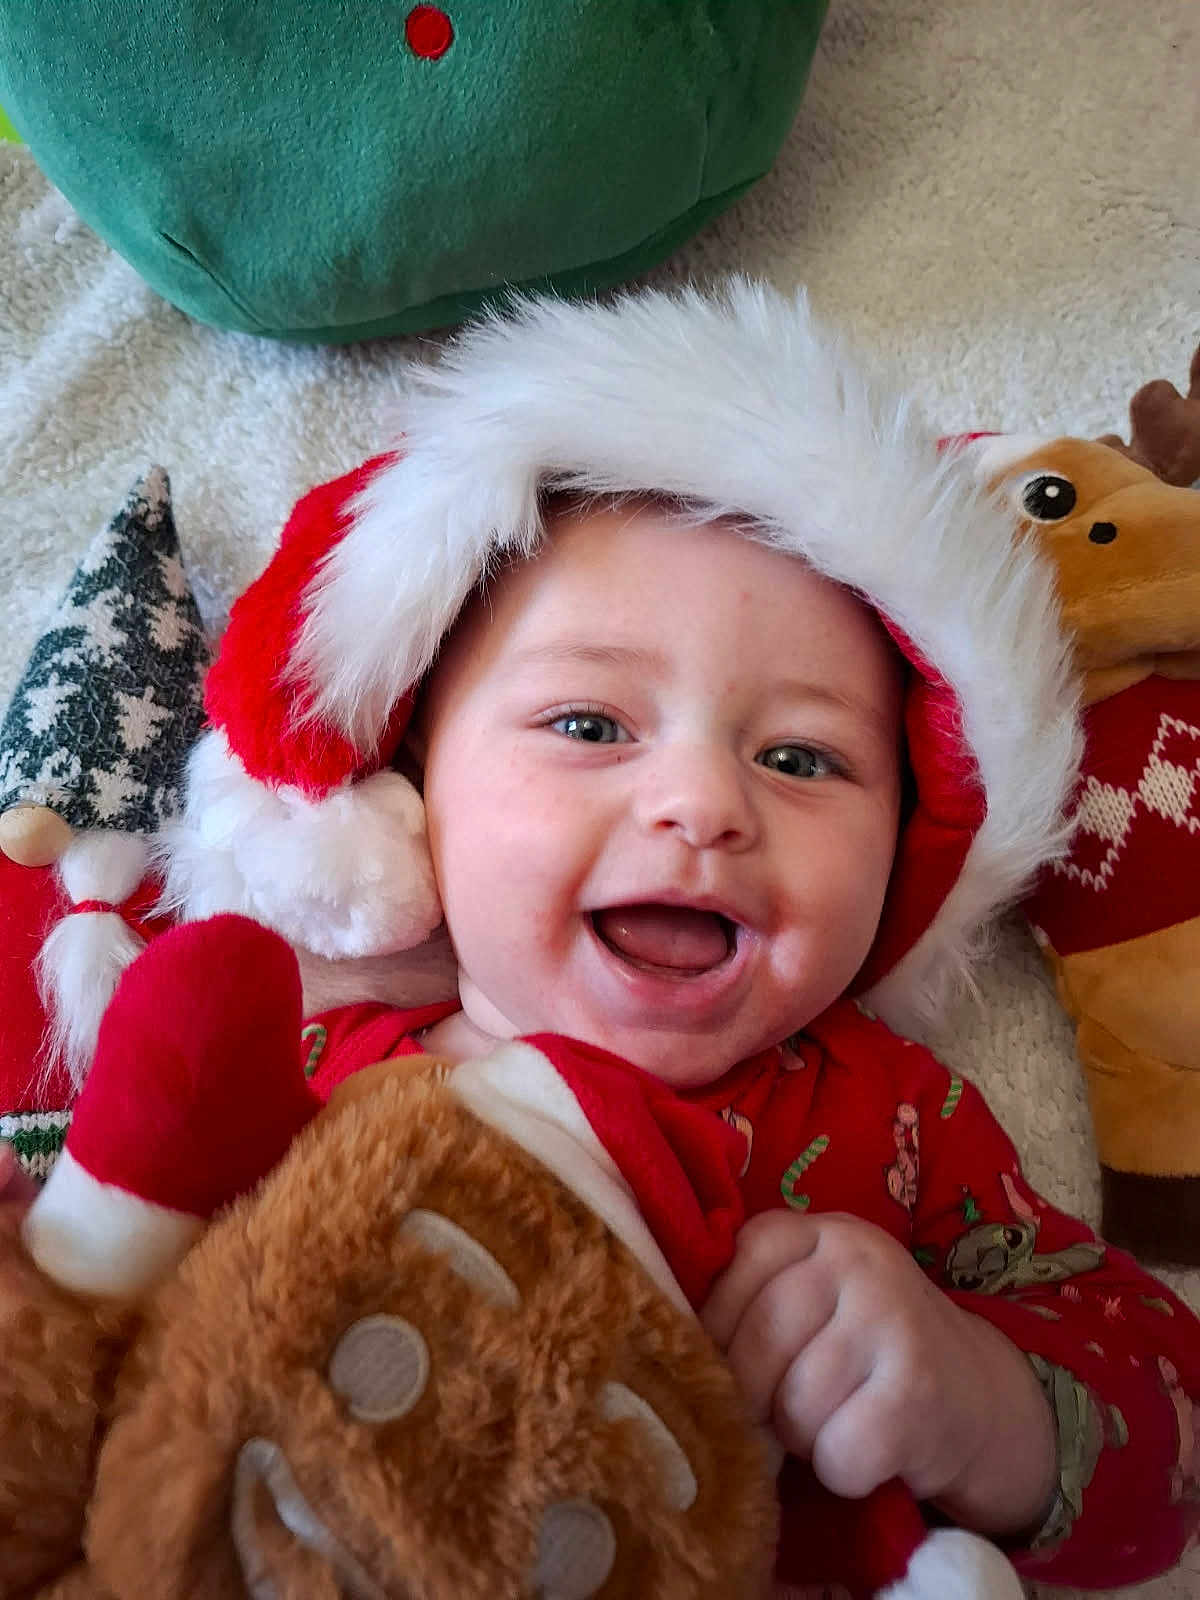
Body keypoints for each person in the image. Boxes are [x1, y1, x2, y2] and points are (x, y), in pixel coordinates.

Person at [95, 284, 1200, 1590]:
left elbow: (1167, 1450)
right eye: (589, 726)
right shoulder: (279, 1039)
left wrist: (973, 1397)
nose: (703, 805)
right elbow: (84, 1264)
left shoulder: (893, 1122)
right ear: (415, 789)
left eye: (801, 757)